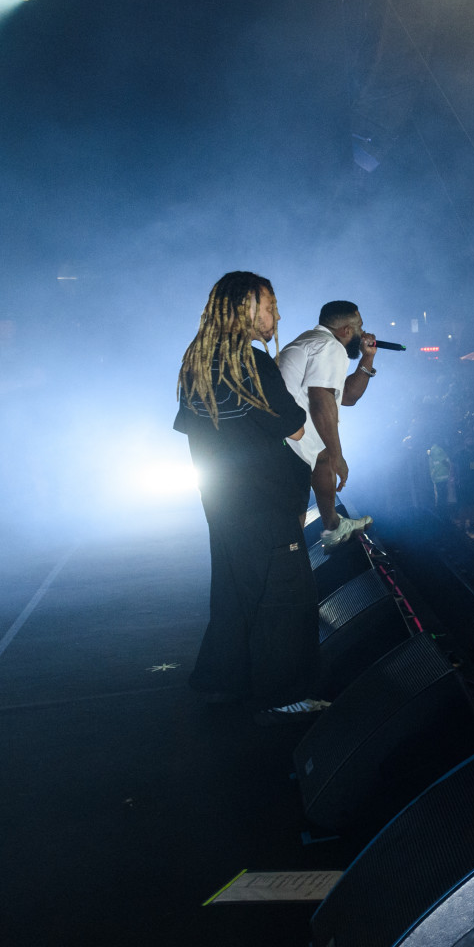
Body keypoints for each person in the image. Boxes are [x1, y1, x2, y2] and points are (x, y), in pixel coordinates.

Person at [174, 272, 324, 722]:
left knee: (233, 595)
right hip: (266, 503)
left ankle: (221, 681)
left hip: (222, 502)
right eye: (269, 305)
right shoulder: (252, 364)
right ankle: (284, 695)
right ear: (245, 309)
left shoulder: (197, 363)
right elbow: (294, 427)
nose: (276, 314)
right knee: (284, 599)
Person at [276, 300, 379, 547]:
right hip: (287, 447)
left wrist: (367, 357)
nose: (363, 332)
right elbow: (321, 400)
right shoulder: (330, 348)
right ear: (346, 330)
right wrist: (337, 455)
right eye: (359, 326)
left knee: (322, 458)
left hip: (284, 441)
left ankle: (333, 526)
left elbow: (348, 397)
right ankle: (292, 565)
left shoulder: (313, 341)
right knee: (291, 530)